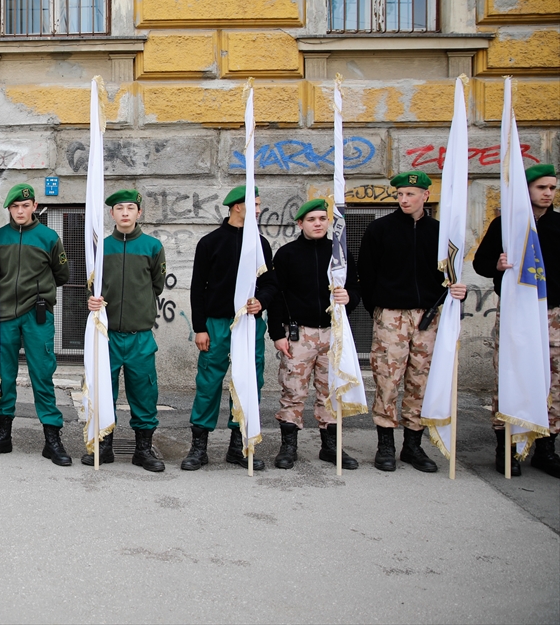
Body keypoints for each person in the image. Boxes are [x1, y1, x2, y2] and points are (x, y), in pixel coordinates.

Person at [358, 172, 467, 473]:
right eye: (400, 194)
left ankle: (413, 445)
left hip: (428, 316)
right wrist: (378, 310)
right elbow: (366, 274)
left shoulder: (440, 233)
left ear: (425, 196)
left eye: (410, 194)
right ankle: (385, 445)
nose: (404, 199)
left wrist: (457, 294)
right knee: (387, 379)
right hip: (392, 314)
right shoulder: (380, 229)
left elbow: (449, 277)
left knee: (420, 381)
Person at [0, 183, 72, 466]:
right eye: (15, 207)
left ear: (34, 206)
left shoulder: (48, 237)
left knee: (42, 376)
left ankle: (52, 439)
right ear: (8, 210)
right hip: (1, 317)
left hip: (36, 316)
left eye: (25, 206)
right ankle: (3, 435)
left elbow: (62, 274)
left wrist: (40, 290)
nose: (20, 211)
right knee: (4, 376)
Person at [182, 184, 278, 472]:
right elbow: (198, 288)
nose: (260, 210)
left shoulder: (260, 244)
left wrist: (261, 302)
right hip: (217, 324)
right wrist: (200, 328)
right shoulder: (210, 242)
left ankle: (239, 445)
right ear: (238, 206)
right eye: (255, 204)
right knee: (209, 383)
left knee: (250, 382)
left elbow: (271, 284)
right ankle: (199, 446)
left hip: (249, 325)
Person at [473, 163, 559, 478]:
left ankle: (546, 448)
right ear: (528, 190)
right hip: (516, 313)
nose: (548, 193)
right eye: (542, 188)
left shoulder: (558, 225)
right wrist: (496, 263)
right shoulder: (505, 226)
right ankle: (506, 447)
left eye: (552, 188)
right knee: (509, 378)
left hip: (553, 315)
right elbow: (481, 263)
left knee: (554, 382)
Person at [269, 199, 361, 470]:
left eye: (322, 218)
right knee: (293, 390)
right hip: (300, 334)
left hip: (333, 332)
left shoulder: (339, 254)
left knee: (330, 390)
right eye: (311, 219)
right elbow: (276, 296)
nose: (318, 223)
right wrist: (278, 334)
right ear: (300, 224)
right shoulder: (287, 254)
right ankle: (289, 447)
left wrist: (349, 298)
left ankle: (330, 446)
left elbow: (355, 289)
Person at [85, 190, 167, 472]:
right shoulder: (101, 247)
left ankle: (143, 449)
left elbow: (157, 285)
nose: (124, 213)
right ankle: (104, 446)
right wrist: (92, 299)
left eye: (130, 208)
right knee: (104, 391)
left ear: (139, 213)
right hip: (107, 335)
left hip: (139, 336)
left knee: (144, 393)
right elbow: (92, 284)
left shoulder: (152, 246)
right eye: (119, 208)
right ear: (111, 214)